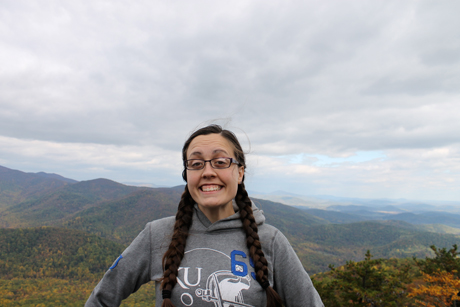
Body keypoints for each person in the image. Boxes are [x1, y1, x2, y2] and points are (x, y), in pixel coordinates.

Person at [85, 124, 323, 307]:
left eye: (220, 162)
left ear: (240, 173)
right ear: (187, 174)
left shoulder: (271, 241)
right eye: (196, 164)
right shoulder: (156, 235)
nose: (208, 172)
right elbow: (101, 299)